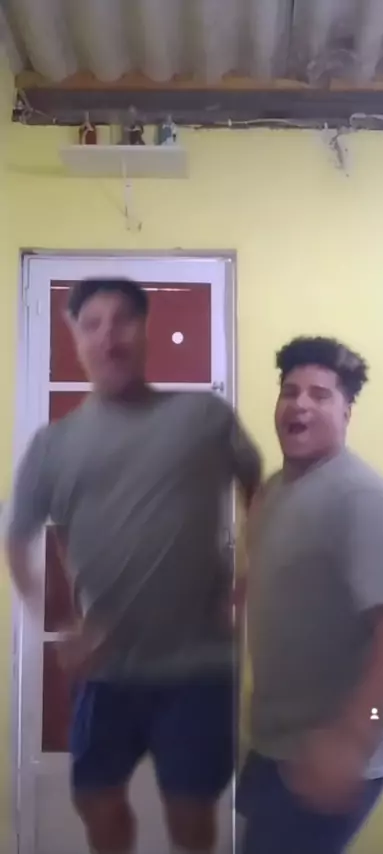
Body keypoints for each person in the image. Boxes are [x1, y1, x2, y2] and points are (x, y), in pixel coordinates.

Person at [6, 277, 262, 854]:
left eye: (123, 319)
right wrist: (60, 621)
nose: (109, 336)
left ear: (146, 330)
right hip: (106, 671)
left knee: (192, 815)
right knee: (96, 802)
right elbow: (18, 539)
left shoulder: (204, 416)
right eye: (92, 324)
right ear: (76, 339)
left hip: (196, 668)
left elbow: (259, 491)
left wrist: (248, 581)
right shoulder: (52, 446)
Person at [236, 336, 383, 854]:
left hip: (334, 751)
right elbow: (273, 573)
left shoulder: (363, 499)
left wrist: (351, 739)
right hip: (277, 739)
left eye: (320, 394)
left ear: (347, 412)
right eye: (290, 391)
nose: (299, 404)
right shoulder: (274, 490)